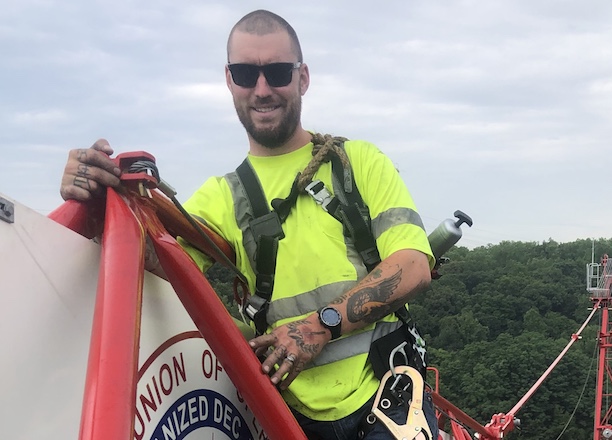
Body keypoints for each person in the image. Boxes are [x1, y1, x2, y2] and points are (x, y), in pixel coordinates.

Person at [60, 9, 438, 440]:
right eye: (245, 74)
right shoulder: (223, 196)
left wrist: (319, 325)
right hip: (286, 415)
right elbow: (153, 267)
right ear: (229, 81)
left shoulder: (358, 163)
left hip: (387, 400)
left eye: (277, 72)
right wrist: (95, 201)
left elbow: (413, 266)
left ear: (302, 78)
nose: (262, 89)